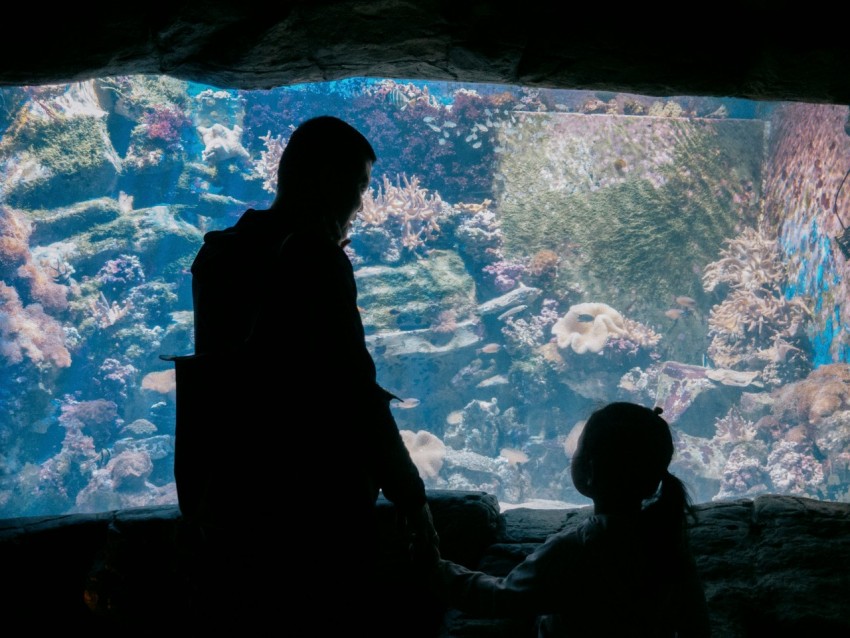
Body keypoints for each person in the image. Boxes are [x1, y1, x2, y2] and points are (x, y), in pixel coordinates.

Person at [180, 115, 440, 633]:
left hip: (230, 493)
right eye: (357, 186)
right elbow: (353, 391)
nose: (361, 205)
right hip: (314, 500)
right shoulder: (314, 258)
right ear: (323, 179)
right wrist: (411, 498)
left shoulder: (219, 253)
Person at [432, 402, 711, 638]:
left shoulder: (572, 551)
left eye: (579, 447)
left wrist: (438, 569)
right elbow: (696, 621)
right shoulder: (668, 543)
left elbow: (502, 598)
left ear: (589, 470)